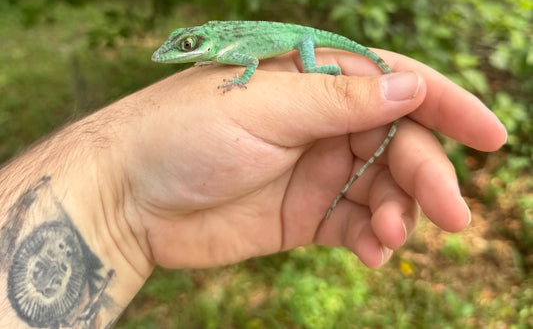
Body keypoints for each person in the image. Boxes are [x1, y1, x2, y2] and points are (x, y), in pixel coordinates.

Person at [0, 49, 506, 328]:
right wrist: (120, 189)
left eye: (185, 48)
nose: (176, 56)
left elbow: (245, 67)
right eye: (184, 48)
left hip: (305, 44)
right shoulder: (218, 46)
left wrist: (253, 78)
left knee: (318, 67)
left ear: (203, 44)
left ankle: (326, 69)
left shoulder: (237, 50)